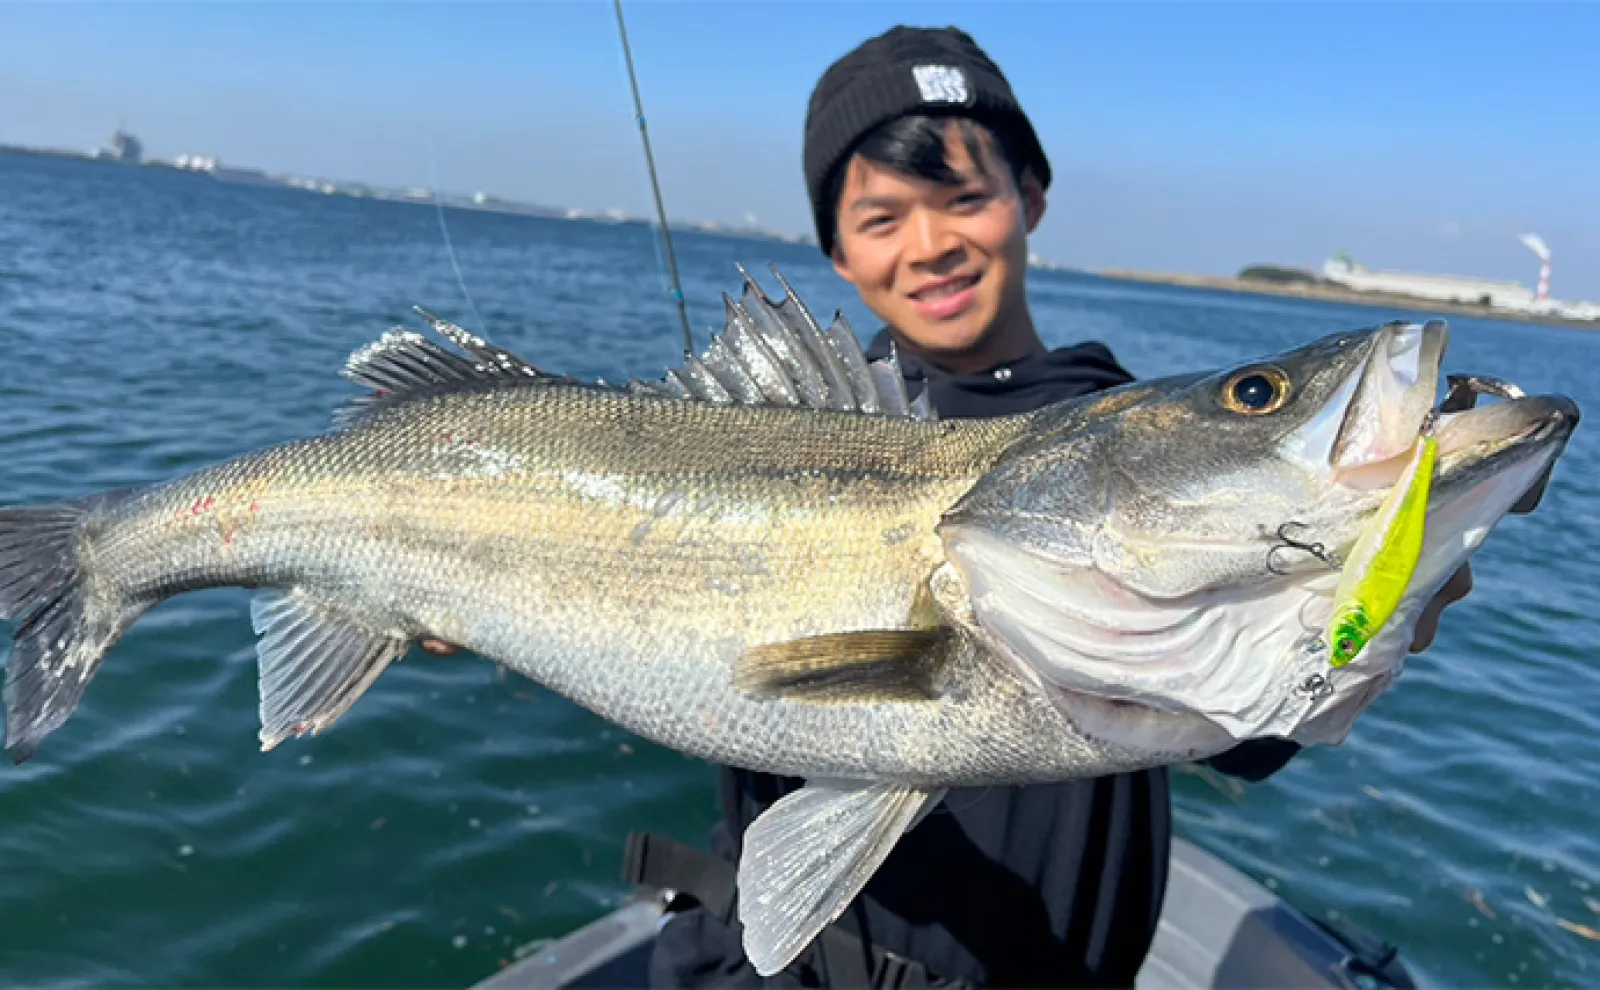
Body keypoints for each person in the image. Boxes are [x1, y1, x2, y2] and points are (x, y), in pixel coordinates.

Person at [422, 23, 1530, 989]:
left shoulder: (1112, 424)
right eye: (880, 215)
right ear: (834, 249)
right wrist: (460, 574)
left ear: (1028, 198)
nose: (931, 242)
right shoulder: (796, 429)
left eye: (965, 195)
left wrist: (1368, 620)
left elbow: (1246, 737)